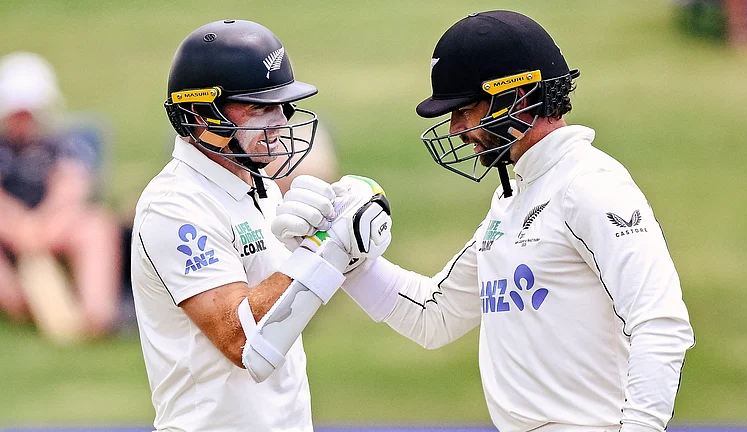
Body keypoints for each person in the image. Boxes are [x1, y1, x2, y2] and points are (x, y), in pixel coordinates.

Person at [273, 10, 695, 432]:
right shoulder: (515, 198)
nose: (455, 128)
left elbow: (661, 324)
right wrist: (341, 253)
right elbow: (434, 316)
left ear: (519, 98)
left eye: (465, 109)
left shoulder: (587, 185)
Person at [130, 19, 392, 431]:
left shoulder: (260, 184)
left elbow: (287, 307)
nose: (280, 122)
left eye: (283, 106)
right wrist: (323, 247)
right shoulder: (174, 206)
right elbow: (244, 341)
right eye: (259, 107)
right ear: (201, 113)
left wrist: (342, 248)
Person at [0, 51, 121, 341]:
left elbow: (70, 190)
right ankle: (19, 304)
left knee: (97, 226)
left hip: (54, 225)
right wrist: (17, 227)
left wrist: (41, 227)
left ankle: (96, 314)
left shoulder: (65, 144)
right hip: (8, 228)